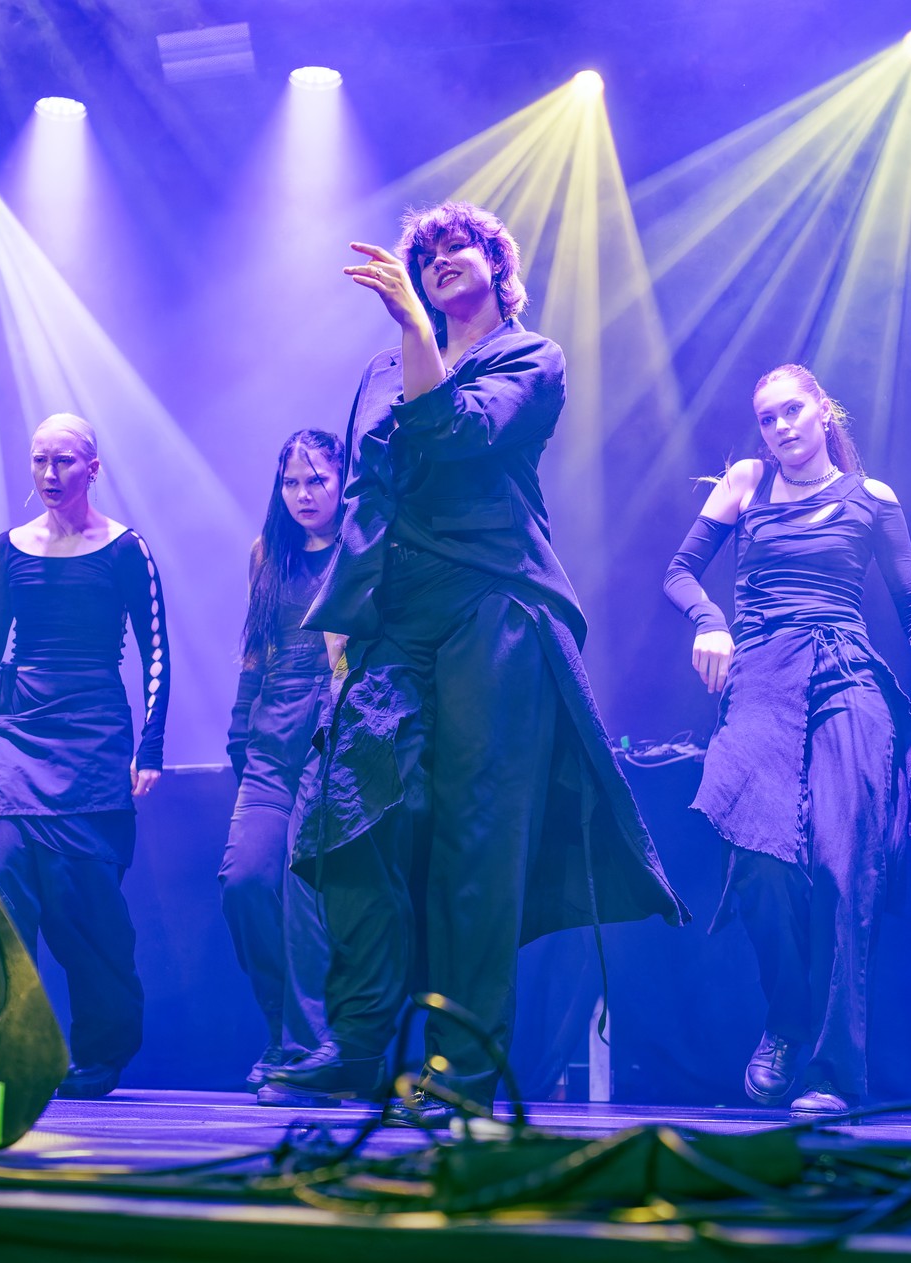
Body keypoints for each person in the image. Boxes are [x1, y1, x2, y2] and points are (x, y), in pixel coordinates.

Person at [264, 201, 687, 1127]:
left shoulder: (530, 357)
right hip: (393, 613)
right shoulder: (384, 368)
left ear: (498, 265)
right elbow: (367, 487)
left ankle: (461, 1066)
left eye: (458, 247)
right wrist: (341, 613)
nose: (441, 259)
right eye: (427, 255)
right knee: (350, 816)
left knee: (475, 840)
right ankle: (359, 1041)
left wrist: (416, 332)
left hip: (492, 602)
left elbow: (455, 436)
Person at [663, 365, 911, 1114]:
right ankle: (788, 1019)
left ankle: (834, 1072)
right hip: (761, 676)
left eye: (792, 410)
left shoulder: (873, 499)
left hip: (846, 678)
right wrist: (710, 620)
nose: (781, 426)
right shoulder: (746, 483)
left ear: (824, 411)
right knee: (759, 860)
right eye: (767, 418)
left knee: (844, 869)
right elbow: (681, 571)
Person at [0, 413, 167, 1100]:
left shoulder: (125, 549)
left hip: (91, 731)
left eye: (64, 461)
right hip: (17, 729)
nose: (49, 473)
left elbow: (155, 651)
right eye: (40, 459)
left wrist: (151, 743)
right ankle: (5, 1043)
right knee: (5, 880)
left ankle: (101, 1050)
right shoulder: (9, 547)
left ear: (92, 468)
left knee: (84, 898)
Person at [223, 429, 340, 1098]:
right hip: (270, 738)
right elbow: (255, 647)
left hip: (332, 736)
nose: (303, 494)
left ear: (341, 480)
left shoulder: (362, 548)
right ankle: (282, 1029)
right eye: (292, 482)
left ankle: (311, 1049)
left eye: (316, 480)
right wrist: (239, 729)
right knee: (244, 882)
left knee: (305, 895)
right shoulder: (267, 553)